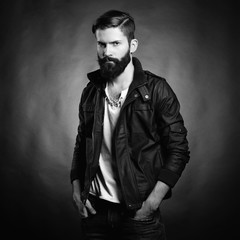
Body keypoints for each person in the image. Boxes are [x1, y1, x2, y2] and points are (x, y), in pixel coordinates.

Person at [70, 9, 190, 240]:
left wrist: (152, 203)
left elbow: (179, 149)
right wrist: (77, 191)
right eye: (101, 44)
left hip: (139, 214)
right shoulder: (91, 91)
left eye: (115, 43)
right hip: (95, 213)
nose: (107, 52)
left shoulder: (156, 90)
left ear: (132, 45)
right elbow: (81, 143)